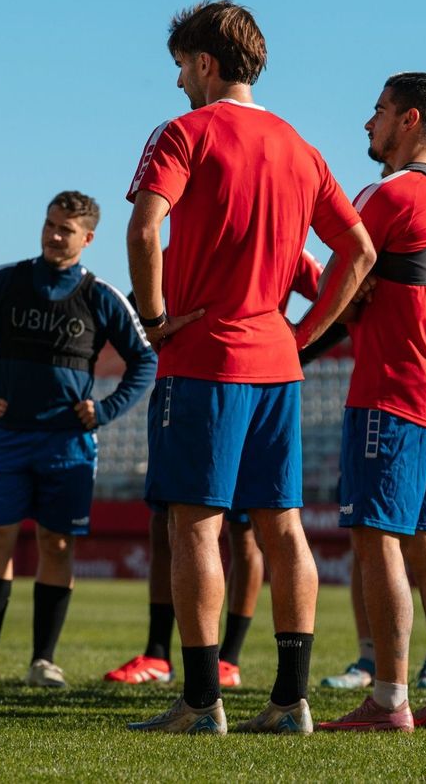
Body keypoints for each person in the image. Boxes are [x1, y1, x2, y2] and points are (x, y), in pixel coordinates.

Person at [124, 0, 372, 735]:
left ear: (204, 63)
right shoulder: (301, 146)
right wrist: (306, 332)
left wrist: (152, 314)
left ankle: (201, 702)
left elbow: (145, 225)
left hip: (203, 359)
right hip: (276, 364)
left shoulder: (185, 132)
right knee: (282, 528)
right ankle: (291, 700)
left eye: (179, 67)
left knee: (195, 528)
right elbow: (357, 253)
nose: (176, 84)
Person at [0, 191, 155, 687]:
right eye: (50, 225)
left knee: (56, 544)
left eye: (66, 229)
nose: (55, 236)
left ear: (88, 238)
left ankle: (43, 661)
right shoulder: (7, 280)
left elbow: (144, 360)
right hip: (7, 438)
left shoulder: (100, 294)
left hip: (67, 445)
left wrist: (104, 410)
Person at [316, 73, 426, 733]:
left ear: (409, 120)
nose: (367, 124)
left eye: (377, 111)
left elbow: (337, 282)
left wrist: (293, 344)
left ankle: (388, 700)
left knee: (378, 540)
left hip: (391, 395)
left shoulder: (392, 190)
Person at [104, 249, 324, 689]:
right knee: (169, 522)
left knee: (247, 531)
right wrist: (157, 324)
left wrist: (297, 343)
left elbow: (340, 288)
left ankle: (229, 658)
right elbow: (135, 302)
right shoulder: (183, 241)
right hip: (198, 380)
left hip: (248, 386)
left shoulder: (289, 242)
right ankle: (158, 653)